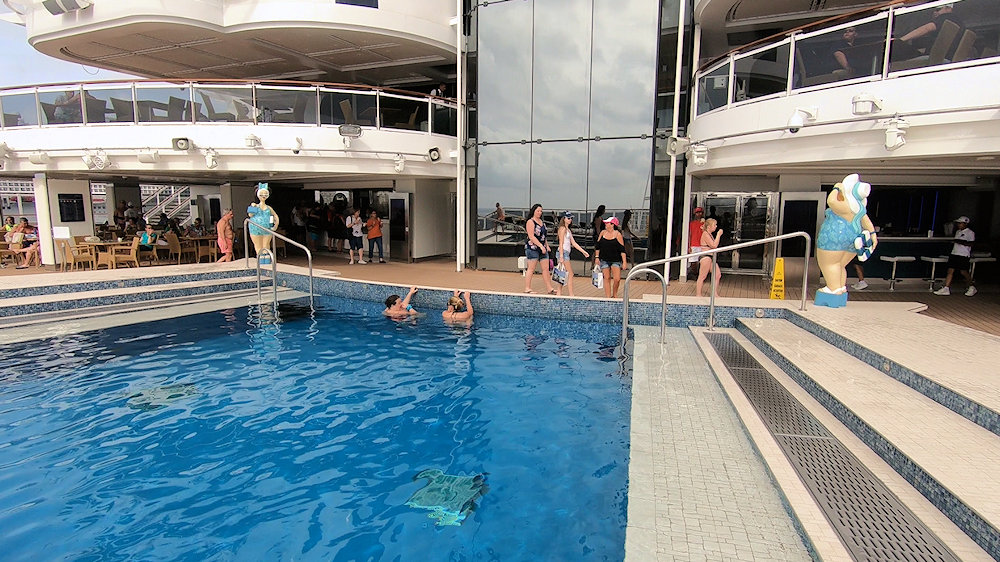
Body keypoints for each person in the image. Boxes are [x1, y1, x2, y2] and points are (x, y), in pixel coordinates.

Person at [895, 3, 963, 60]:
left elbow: (927, 28)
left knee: (895, 47)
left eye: (938, 9)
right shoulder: (959, 23)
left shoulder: (947, 17)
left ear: (948, 8)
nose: (935, 12)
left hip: (935, 59)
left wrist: (900, 40)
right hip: (944, 57)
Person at [934, 215, 976, 296]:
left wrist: (959, 241)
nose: (958, 225)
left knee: (963, 271)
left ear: (965, 224)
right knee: (950, 270)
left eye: (960, 223)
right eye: (958, 223)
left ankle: (972, 286)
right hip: (954, 253)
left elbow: (971, 243)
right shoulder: (957, 232)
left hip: (963, 254)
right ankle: (946, 288)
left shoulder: (970, 233)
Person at [555, 211, 590, 297]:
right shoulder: (562, 229)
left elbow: (574, 243)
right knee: (570, 274)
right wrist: (562, 256)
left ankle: (559, 292)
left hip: (565, 253)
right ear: (564, 219)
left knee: (562, 273)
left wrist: (583, 251)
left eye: (571, 218)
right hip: (562, 252)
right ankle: (571, 294)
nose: (570, 220)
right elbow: (561, 242)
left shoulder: (568, 230)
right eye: (568, 218)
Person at [523, 203, 555, 294]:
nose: (539, 212)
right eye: (538, 211)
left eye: (541, 211)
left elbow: (543, 236)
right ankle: (527, 288)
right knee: (531, 268)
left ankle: (549, 288)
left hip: (543, 248)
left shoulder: (542, 222)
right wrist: (540, 246)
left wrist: (546, 245)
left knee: (546, 268)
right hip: (533, 248)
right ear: (534, 211)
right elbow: (531, 236)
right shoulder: (530, 222)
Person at [593, 216, 627, 298]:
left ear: (612, 225)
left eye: (607, 223)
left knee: (617, 279)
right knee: (607, 278)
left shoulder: (618, 235)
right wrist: (597, 257)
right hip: (604, 259)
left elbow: (622, 250)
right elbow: (598, 246)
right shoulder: (603, 233)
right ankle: (608, 296)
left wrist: (624, 262)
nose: (606, 224)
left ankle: (614, 294)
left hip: (615, 260)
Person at [696, 218, 723, 298]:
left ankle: (714, 293)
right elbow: (714, 245)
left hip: (711, 257)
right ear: (709, 227)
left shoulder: (709, 233)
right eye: (714, 225)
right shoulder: (705, 234)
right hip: (706, 257)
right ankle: (698, 294)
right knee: (702, 276)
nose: (716, 226)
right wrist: (718, 235)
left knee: (717, 275)